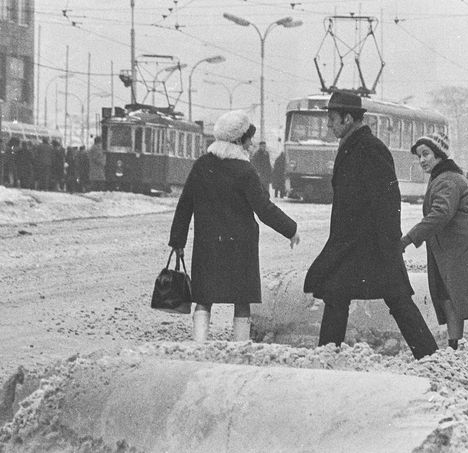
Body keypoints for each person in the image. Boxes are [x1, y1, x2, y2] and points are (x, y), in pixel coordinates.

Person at [303, 91, 438, 360]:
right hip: (353, 243)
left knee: (396, 299)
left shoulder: (370, 148)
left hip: (372, 244)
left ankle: (431, 357)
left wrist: (389, 244)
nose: (329, 125)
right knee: (336, 294)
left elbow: (388, 200)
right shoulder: (354, 145)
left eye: (332, 119)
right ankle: (326, 355)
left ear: (348, 118)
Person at [169, 110, 300, 342]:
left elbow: (185, 204)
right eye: (248, 139)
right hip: (240, 246)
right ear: (238, 140)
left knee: (204, 297)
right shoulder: (245, 170)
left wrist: (177, 241)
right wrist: (290, 229)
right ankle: (240, 347)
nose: (250, 144)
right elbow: (264, 208)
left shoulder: (202, 165)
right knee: (242, 299)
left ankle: (199, 343)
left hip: (207, 243)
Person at [401, 132, 468, 350]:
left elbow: (441, 213)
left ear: (440, 155)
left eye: (426, 154)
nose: (422, 160)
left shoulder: (447, 180)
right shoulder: (444, 178)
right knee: (449, 298)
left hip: (466, 251)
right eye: (419, 156)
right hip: (456, 251)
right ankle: (454, 345)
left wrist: (408, 238)